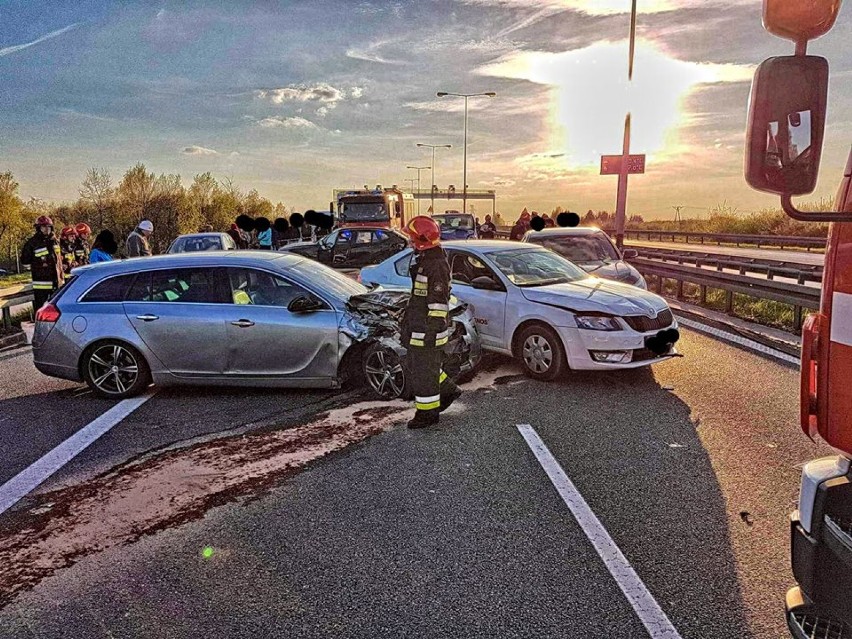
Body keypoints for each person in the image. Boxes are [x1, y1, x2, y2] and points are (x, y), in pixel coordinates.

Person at [400, 216, 462, 429]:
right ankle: (448, 390)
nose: (409, 242)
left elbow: (437, 303)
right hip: (419, 327)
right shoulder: (427, 260)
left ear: (421, 240)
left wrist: (430, 332)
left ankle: (427, 415)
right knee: (421, 367)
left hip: (428, 331)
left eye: (412, 238)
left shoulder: (435, 266)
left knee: (423, 374)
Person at [20, 215, 64, 312]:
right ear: (38, 228)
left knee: (57, 310)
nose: (46, 229)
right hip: (41, 284)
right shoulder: (32, 243)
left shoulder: (55, 241)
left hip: (57, 283)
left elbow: (59, 260)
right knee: (41, 310)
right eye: (43, 227)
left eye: (48, 226)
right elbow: (24, 261)